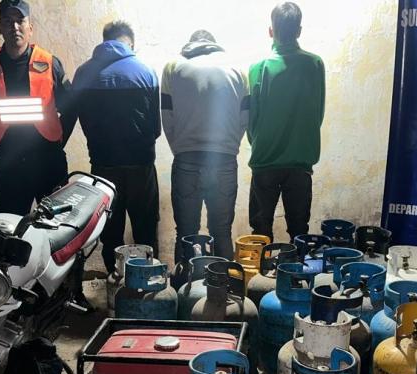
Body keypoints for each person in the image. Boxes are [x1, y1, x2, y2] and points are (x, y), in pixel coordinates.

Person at [0, 0, 76, 216]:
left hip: (48, 161)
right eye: (7, 22)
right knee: (10, 226)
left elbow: (71, 107)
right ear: (0, 28)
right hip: (10, 164)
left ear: (30, 27)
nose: (14, 27)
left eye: (20, 21)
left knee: (56, 225)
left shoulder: (50, 63)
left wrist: (58, 141)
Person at [74, 21, 161, 274]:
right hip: (140, 164)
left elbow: (81, 119)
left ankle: (114, 278)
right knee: (145, 227)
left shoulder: (83, 73)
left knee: (110, 229)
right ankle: (146, 279)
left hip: (103, 165)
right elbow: (155, 127)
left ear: (105, 41)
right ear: (130, 43)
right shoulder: (146, 71)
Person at [162, 30, 249, 261]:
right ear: (214, 44)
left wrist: (180, 148)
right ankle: (223, 282)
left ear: (191, 44)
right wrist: (229, 147)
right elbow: (244, 119)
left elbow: (167, 118)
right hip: (224, 160)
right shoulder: (238, 70)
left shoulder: (173, 68)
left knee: (185, 233)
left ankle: (185, 281)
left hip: (186, 159)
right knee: (222, 232)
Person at [247, 2, 325, 242]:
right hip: (301, 160)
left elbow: (251, 119)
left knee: (261, 232)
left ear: (271, 31)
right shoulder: (315, 64)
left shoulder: (259, 68)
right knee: (299, 231)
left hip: (265, 159)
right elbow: (318, 113)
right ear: (299, 31)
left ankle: (261, 267)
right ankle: (298, 266)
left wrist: (260, 142)